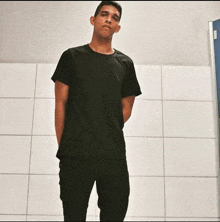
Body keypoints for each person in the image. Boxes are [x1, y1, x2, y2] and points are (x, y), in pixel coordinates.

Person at [51, 1, 142, 221]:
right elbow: (60, 104)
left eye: (115, 17)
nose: (109, 19)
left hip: (112, 155)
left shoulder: (125, 64)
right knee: (73, 215)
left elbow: (127, 107)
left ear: (118, 27)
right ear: (93, 20)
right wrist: (66, 147)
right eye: (104, 14)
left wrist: (103, 127)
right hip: (75, 154)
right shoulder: (71, 57)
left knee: (115, 213)